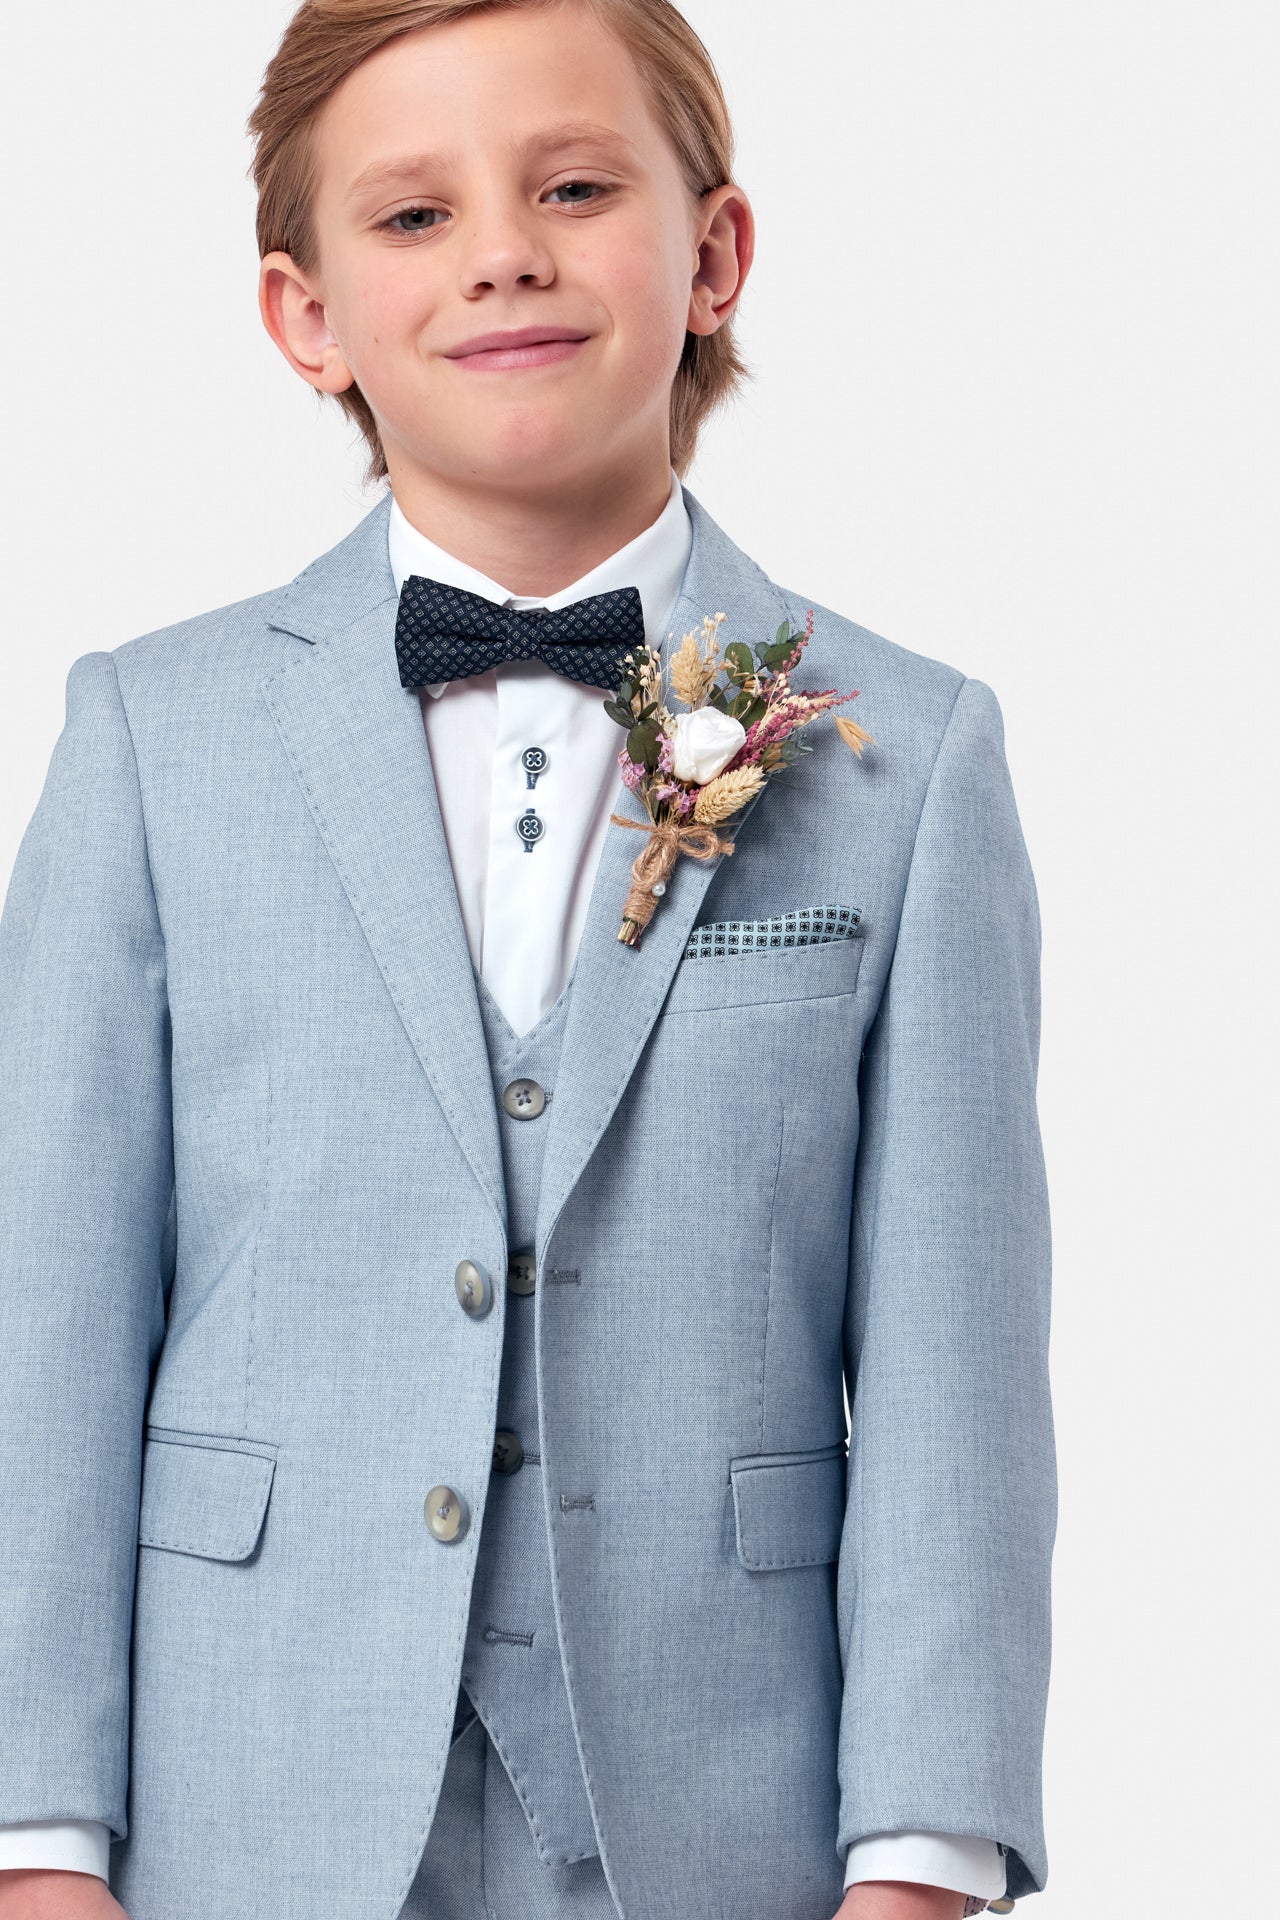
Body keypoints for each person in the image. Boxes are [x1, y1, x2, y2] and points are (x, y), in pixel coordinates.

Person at [0, 3, 1054, 1916]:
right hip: (246, 1800)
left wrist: (922, 1854)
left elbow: (955, 1361)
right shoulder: (153, 741)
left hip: (718, 1816)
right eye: (411, 217)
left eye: (575, 186)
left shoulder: (909, 753)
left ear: (714, 254)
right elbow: (42, 1315)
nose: (503, 248)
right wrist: (33, 1840)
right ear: (303, 314)